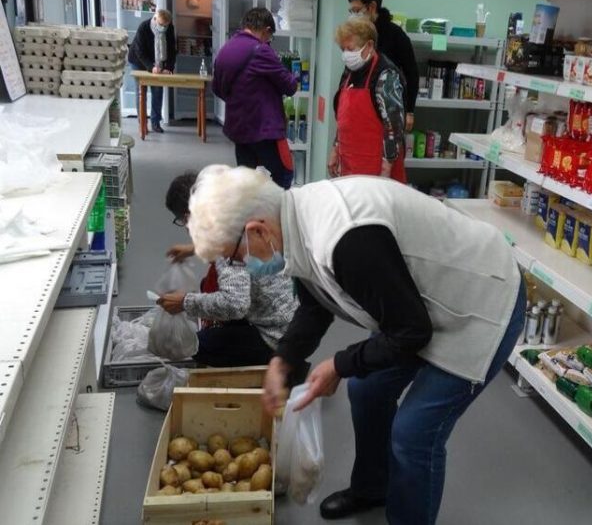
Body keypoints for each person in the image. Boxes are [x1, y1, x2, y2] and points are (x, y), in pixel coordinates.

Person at [186, 165, 526, 525]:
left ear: (257, 230)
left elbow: (411, 332)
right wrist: (282, 359)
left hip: (477, 303)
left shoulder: (346, 237)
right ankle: (372, 487)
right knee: (366, 389)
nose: (241, 265)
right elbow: (317, 304)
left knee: (413, 435)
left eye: (235, 256)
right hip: (421, 304)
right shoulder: (293, 221)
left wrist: (339, 365)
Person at [158, 171, 300, 368]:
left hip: (275, 336)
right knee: (210, 292)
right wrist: (194, 249)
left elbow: (236, 304)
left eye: (183, 221)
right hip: (293, 315)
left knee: (198, 345)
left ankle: (275, 362)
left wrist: (185, 302)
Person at [212, 8, 297, 189]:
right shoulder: (261, 50)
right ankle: (276, 215)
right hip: (264, 128)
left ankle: (250, 214)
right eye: (269, 37)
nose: (268, 41)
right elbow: (290, 87)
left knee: (246, 181)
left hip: (238, 128)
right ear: (266, 30)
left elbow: (217, 89)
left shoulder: (225, 50)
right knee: (284, 175)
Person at [328, 18, 406, 183]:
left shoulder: (386, 75)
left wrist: (387, 165)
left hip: (377, 168)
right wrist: (336, 149)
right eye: (343, 49)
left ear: (369, 46)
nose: (346, 55)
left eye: (350, 49)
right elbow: (343, 119)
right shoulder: (349, 72)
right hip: (350, 163)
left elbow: (394, 126)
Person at [348, 0, 418, 132]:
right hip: (358, 105)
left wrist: (409, 111)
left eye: (356, 10)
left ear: (372, 7)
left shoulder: (395, 35)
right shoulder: (357, 35)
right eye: (351, 11)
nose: (353, 16)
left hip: (387, 108)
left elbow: (412, 73)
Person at [128, 9, 177, 134]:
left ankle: (155, 123)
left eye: (165, 25)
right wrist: (151, 67)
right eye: (161, 25)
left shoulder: (169, 28)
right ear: (155, 19)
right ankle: (142, 124)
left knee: (157, 91)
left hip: (158, 62)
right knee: (141, 92)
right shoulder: (144, 27)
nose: (163, 28)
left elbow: (172, 49)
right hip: (138, 61)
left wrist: (168, 68)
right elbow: (140, 51)